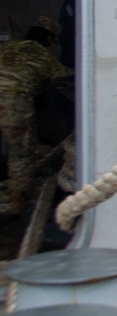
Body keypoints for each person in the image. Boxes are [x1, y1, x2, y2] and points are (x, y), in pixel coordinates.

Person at [0, 16, 72, 215]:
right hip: (12, 106)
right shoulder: (44, 56)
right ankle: (18, 207)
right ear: (50, 40)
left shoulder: (9, 46)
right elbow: (68, 81)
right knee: (21, 156)